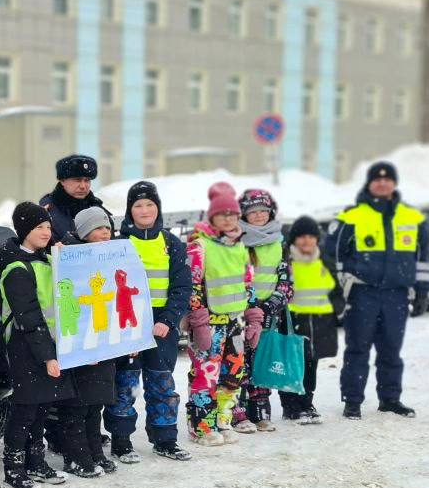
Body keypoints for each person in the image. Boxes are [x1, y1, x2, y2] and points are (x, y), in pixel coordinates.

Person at [324, 161, 429, 419]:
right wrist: (339, 289)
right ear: (369, 183)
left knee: (391, 350)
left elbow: (424, 258)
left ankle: (390, 399)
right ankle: (352, 401)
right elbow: (332, 254)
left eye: (387, 179)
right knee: (357, 350)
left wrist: (423, 291)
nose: (382, 183)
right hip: (363, 294)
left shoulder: (412, 217)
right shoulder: (350, 216)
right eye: (377, 179)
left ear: (394, 183)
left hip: (396, 294)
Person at [109, 181, 194, 462]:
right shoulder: (118, 244)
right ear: (129, 211)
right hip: (127, 322)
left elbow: (182, 288)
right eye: (137, 205)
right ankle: (121, 440)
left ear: (157, 208)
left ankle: (165, 439)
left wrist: (168, 320)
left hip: (162, 325)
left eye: (149, 204)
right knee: (126, 384)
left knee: (161, 384)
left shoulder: (171, 243)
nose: (144, 210)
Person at [0, 203, 75, 488]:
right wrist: (48, 356)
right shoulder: (17, 268)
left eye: (48, 227)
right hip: (25, 345)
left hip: (47, 344)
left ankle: (35, 460)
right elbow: (29, 317)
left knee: (42, 406)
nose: (46, 232)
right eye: (39, 227)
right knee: (25, 408)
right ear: (24, 230)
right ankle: (13, 468)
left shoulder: (47, 261)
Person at [184, 183, 262, 446]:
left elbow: (248, 284)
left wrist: (253, 318)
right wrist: (198, 321)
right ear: (213, 216)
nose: (228, 219)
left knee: (232, 377)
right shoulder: (200, 246)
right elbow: (192, 286)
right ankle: (201, 426)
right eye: (223, 214)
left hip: (235, 324)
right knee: (205, 376)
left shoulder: (241, 247)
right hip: (210, 326)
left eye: (233, 214)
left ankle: (223, 421)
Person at [52, 206, 119, 478]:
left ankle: (94, 451)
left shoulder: (113, 255)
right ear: (83, 231)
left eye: (107, 228)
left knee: (95, 403)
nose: (105, 233)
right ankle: (75, 456)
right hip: (79, 343)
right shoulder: (67, 254)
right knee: (76, 404)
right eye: (98, 228)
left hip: (103, 340)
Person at [234, 189, 293, 433]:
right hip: (241, 310)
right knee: (238, 362)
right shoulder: (236, 240)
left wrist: (273, 304)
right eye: (252, 212)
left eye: (262, 211)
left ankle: (260, 410)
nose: (258, 216)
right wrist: (249, 305)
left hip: (270, 311)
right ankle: (237, 411)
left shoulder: (280, 241)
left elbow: (287, 279)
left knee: (263, 360)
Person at [279, 216, 343, 424]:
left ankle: (307, 403)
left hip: (320, 322)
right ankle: (290, 407)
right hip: (293, 321)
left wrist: (339, 309)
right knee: (292, 365)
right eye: (301, 237)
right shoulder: (287, 262)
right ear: (294, 240)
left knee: (310, 365)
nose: (306, 241)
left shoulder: (324, 261)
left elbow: (336, 291)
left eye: (311, 237)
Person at [39, 154, 110, 241]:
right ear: (62, 181)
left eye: (87, 180)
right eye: (77, 180)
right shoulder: (47, 210)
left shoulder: (96, 207)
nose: (83, 186)